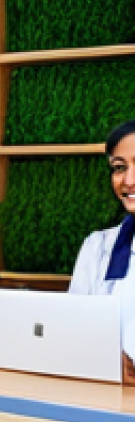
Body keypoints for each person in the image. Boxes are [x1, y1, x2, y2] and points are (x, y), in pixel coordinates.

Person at [70, 119, 135, 383]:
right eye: (119, 168)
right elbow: (72, 330)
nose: (129, 181)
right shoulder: (98, 247)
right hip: (104, 402)